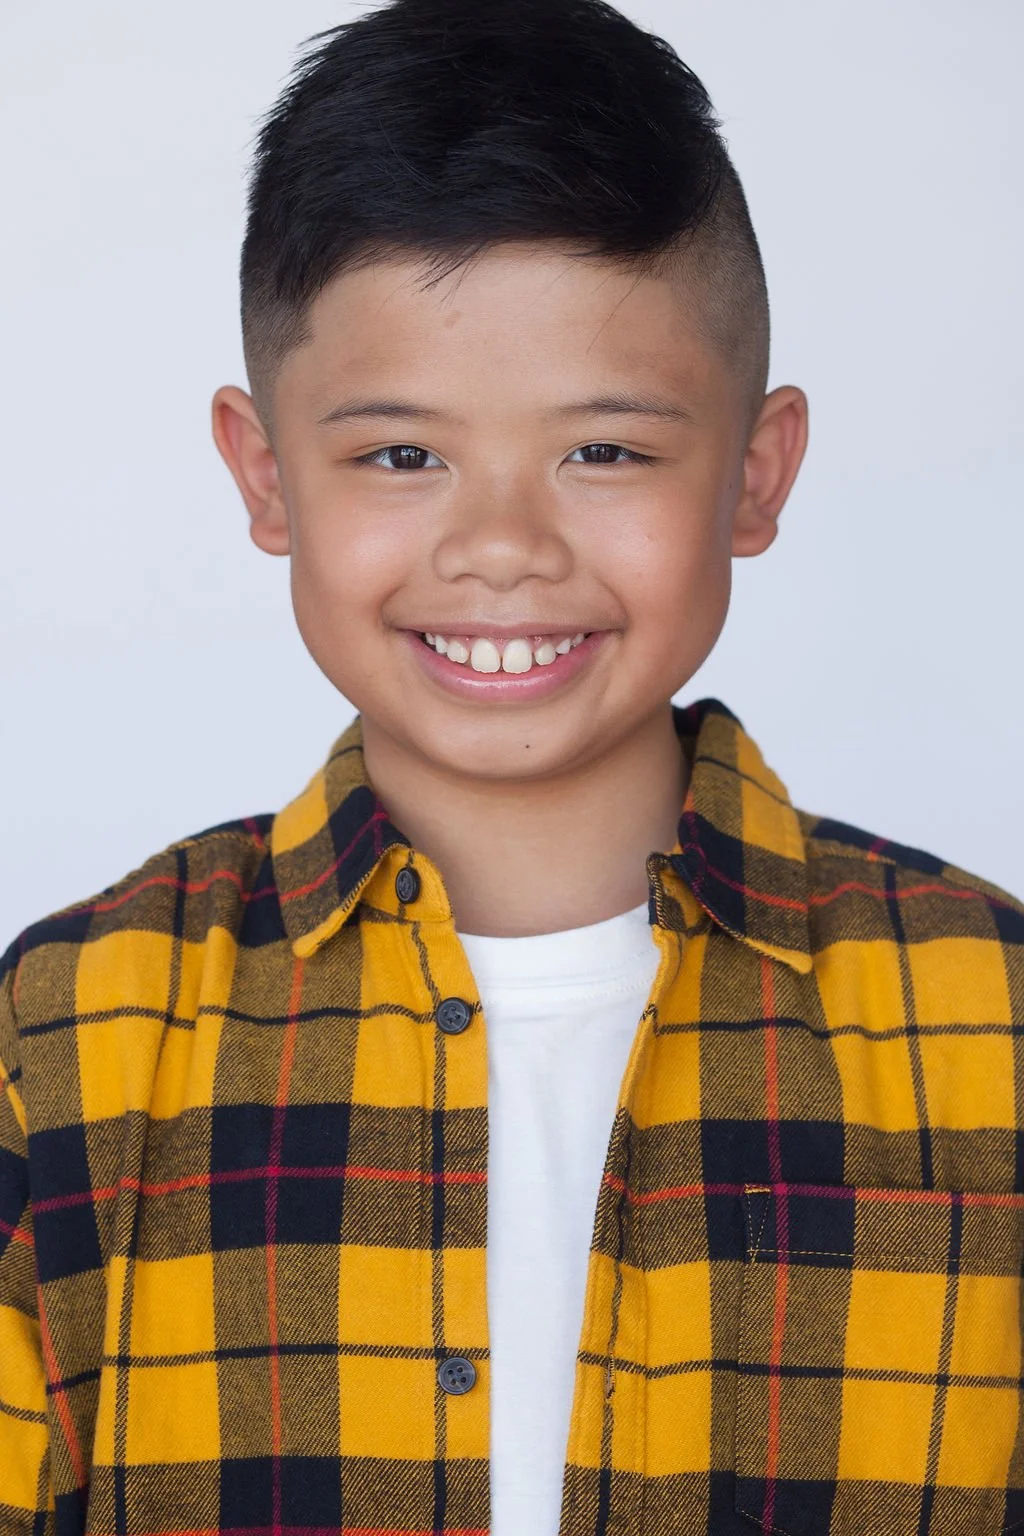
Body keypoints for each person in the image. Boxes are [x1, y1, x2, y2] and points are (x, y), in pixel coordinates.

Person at [2, 0, 1022, 1531]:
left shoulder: (992, 1026)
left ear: (756, 471)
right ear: (264, 473)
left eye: (603, 451)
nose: (499, 548)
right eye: (400, 454)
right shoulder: (70, 1034)